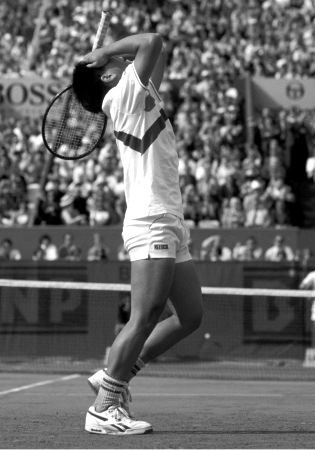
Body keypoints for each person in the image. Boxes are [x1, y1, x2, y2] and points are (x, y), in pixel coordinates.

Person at [73, 32, 203, 435]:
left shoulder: (135, 91)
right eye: (115, 67)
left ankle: (116, 371)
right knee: (146, 314)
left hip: (169, 217)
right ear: (110, 78)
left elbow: (155, 52)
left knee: (190, 316)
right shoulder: (123, 94)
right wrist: (105, 52)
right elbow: (152, 41)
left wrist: (104, 58)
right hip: (152, 218)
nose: (123, 62)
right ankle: (105, 405)